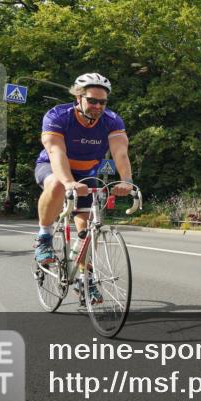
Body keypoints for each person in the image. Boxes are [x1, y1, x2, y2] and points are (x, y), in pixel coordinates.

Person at [33, 73, 133, 302]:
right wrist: (68, 182)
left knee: (88, 231)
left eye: (102, 102)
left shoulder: (112, 120)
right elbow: (56, 152)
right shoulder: (58, 115)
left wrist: (126, 180)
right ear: (78, 97)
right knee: (57, 184)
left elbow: (120, 152)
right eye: (92, 100)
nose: (98, 106)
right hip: (53, 166)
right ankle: (44, 236)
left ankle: (83, 278)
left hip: (88, 174)